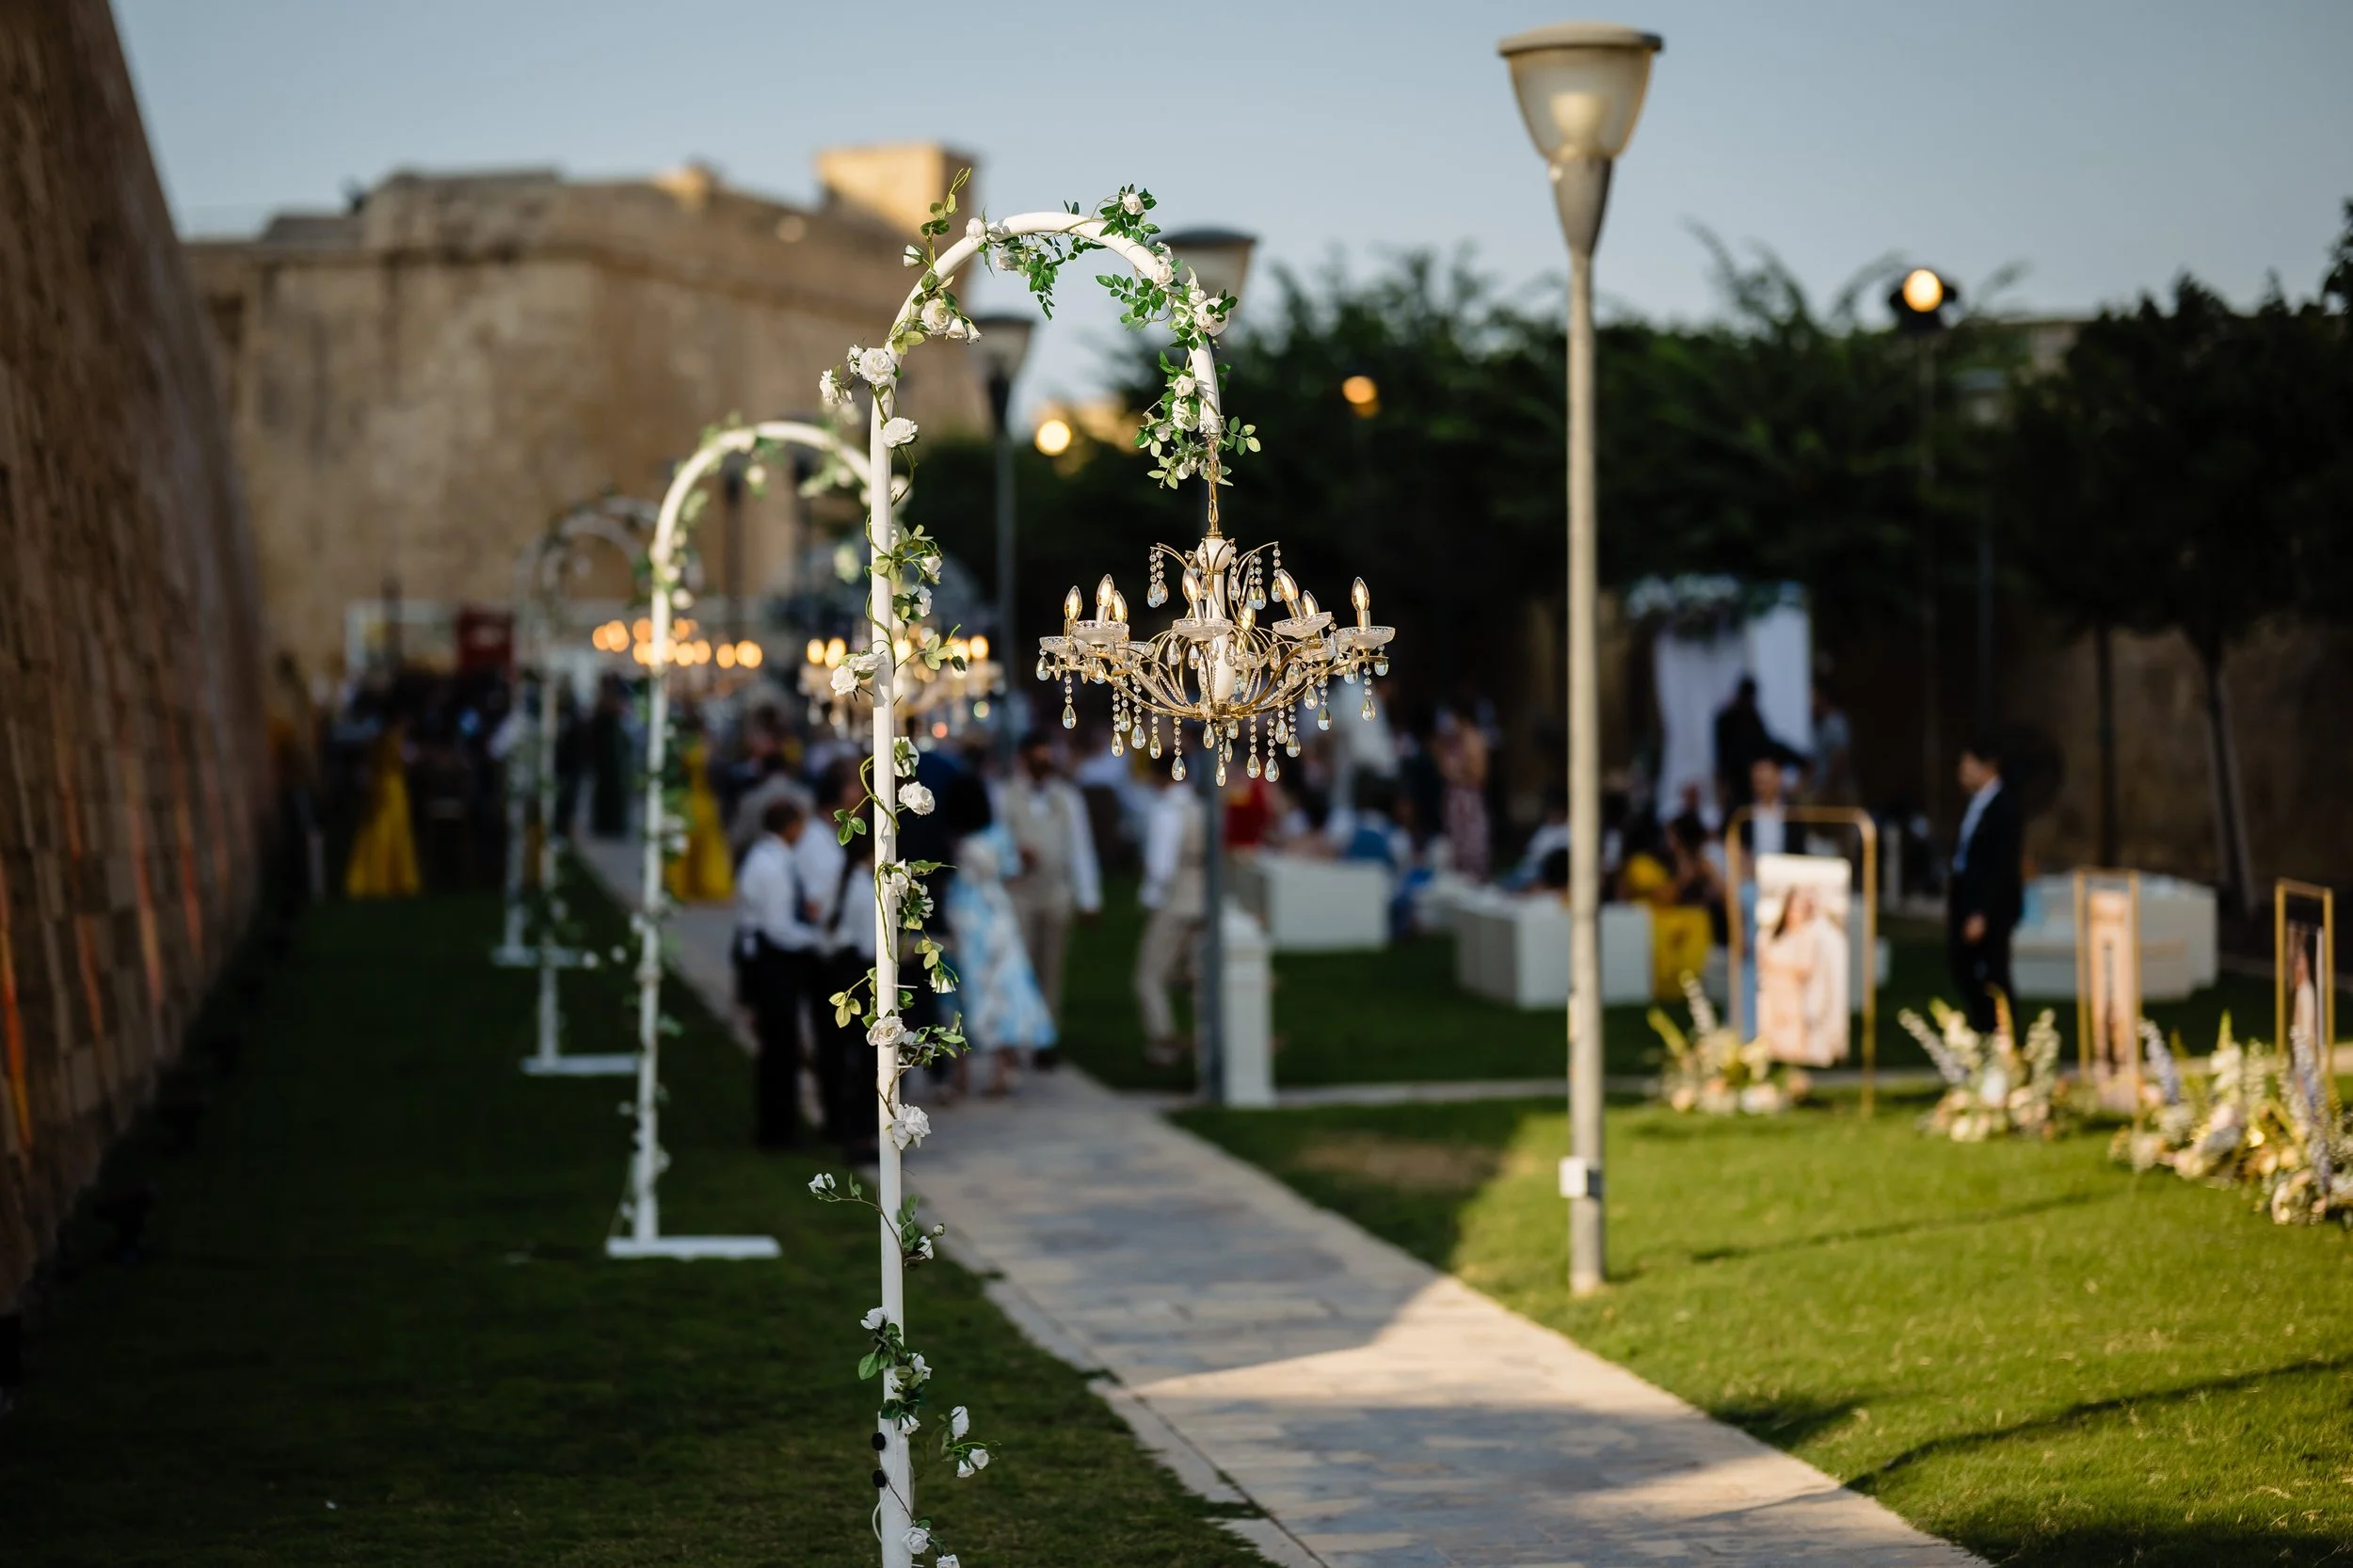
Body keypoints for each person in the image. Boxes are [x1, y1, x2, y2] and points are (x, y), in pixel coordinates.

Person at [940, 770, 1056, 1096]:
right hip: (994, 917)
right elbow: (1012, 871)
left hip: (960, 915)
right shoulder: (998, 835)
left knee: (957, 993)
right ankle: (1003, 1070)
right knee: (1002, 986)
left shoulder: (950, 839)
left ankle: (959, 1074)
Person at [1000, 734, 1103, 1033]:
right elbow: (995, 843)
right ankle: (1022, 1032)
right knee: (1020, 965)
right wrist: (1014, 856)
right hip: (1019, 893)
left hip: (1056, 891)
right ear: (1023, 760)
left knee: (1052, 967)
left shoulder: (1067, 797)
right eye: (1037, 758)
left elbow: (1080, 847)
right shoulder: (1005, 795)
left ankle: (1047, 1033)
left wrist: (1089, 898)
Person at [737, 798, 822, 1148]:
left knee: (781, 1046)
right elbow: (778, 928)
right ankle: (777, 1130)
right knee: (780, 1046)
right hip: (772, 963)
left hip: (770, 957)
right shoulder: (770, 867)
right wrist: (818, 938)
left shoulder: (770, 859)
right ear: (789, 827)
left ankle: (781, 1124)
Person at [1947, 733, 2023, 1034]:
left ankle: (2003, 1035)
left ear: (1987, 766)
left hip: (1990, 907)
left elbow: (1999, 865)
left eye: (1968, 765)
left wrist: (1981, 911)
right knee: (1964, 968)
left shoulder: (2004, 806)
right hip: (1966, 899)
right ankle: (1984, 1031)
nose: (1963, 772)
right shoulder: (1976, 803)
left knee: (1993, 974)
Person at [814, 816, 878, 1159]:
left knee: (842, 1054)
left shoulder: (841, 883)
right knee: (865, 1059)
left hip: (837, 974)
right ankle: (861, 1134)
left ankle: (841, 1124)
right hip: (860, 976)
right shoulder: (864, 891)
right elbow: (872, 945)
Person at [1134, 767, 1207, 1068]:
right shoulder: (1200, 807)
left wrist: (1149, 901)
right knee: (1197, 980)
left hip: (1175, 901)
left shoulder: (1166, 811)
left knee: (1148, 978)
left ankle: (1164, 1045)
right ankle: (1210, 1043)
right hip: (1202, 900)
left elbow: (1161, 869)